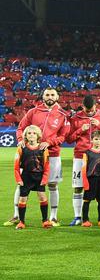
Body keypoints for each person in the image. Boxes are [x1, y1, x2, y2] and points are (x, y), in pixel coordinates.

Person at [8, 88, 69, 227]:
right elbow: (21, 127)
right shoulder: (33, 111)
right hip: (29, 154)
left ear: (57, 97)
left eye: (52, 94)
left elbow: (63, 136)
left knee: (52, 185)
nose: (50, 97)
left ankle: (53, 217)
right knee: (21, 183)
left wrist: (50, 142)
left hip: (52, 154)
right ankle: (17, 215)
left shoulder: (62, 115)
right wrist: (20, 139)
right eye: (47, 94)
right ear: (43, 96)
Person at [67, 95, 100, 226]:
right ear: (82, 106)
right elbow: (69, 139)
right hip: (80, 156)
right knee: (78, 187)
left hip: (99, 157)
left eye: (91, 109)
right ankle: (77, 217)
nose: (89, 112)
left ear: (96, 106)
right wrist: (79, 130)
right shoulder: (75, 118)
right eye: (86, 110)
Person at [13, 125, 50, 229]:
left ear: (38, 135)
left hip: (39, 177)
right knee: (23, 199)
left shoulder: (43, 149)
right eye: (29, 133)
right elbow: (16, 166)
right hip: (26, 177)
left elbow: (47, 166)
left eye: (34, 133)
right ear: (25, 135)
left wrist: (45, 179)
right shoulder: (21, 148)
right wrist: (18, 179)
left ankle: (45, 220)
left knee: (42, 197)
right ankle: (21, 222)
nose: (32, 135)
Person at [81, 130, 100, 227]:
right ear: (91, 140)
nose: (98, 141)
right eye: (96, 139)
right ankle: (85, 220)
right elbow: (84, 168)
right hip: (91, 179)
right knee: (87, 200)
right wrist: (85, 183)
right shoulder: (87, 153)